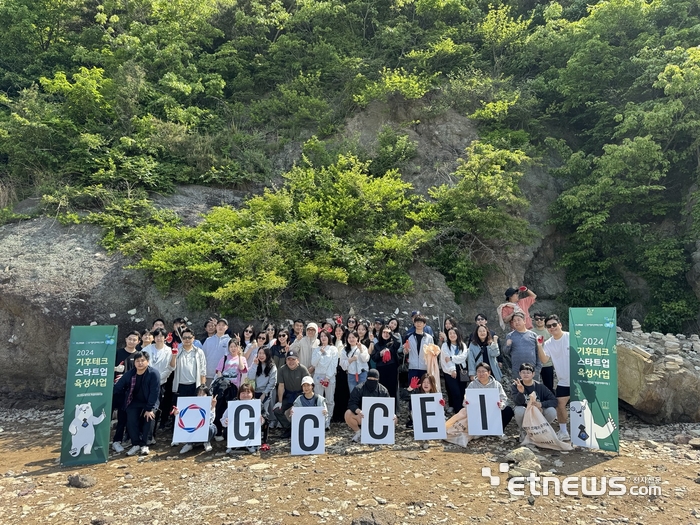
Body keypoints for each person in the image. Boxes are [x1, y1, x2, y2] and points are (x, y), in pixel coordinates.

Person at [113, 351, 160, 456]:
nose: (140, 363)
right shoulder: (130, 374)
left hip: (150, 401)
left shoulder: (153, 373)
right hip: (134, 401)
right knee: (131, 419)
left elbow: (154, 392)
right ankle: (135, 443)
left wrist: (149, 408)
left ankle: (145, 444)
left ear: (147, 362)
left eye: (142, 360)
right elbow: (118, 386)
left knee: (149, 417)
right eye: (137, 361)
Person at [538, 314, 571, 441]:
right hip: (563, 380)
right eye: (549, 326)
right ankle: (563, 432)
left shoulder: (571, 337)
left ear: (560, 325)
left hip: (580, 379)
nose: (552, 328)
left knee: (585, 405)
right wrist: (539, 346)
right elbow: (544, 359)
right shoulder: (548, 343)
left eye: (554, 325)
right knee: (560, 404)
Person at [344, 369, 396, 442]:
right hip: (363, 417)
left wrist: (392, 415)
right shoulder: (359, 388)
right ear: (366, 378)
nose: (372, 381)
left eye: (374, 379)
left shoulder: (383, 390)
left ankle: (385, 435)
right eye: (370, 379)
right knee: (348, 414)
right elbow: (352, 403)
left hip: (379, 419)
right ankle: (359, 433)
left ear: (378, 380)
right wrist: (358, 410)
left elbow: (389, 406)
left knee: (394, 418)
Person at [511, 362, 557, 440]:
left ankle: (541, 430)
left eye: (528, 372)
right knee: (519, 410)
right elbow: (517, 403)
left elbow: (554, 401)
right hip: (525, 412)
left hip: (538, 412)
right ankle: (524, 432)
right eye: (523, 372)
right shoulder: (516, 385)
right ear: (520, 374)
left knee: (552, 411)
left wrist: (541, 404)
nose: (526, 374)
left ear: (533, 374)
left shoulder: (540, 386)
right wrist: (521, 392)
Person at [212, 338, 248, 438]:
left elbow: (242, 369)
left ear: (238, 347)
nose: (233, 349)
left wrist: (240, 355)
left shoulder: (242, 358)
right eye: (231, 346)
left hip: (234, 387)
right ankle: (218, 431)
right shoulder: (224, 358)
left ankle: (231, 432)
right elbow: (219, 372)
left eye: (235, 346)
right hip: (223, 387)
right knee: (220, 408)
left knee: (232, 409)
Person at [111, 331, 141, 453]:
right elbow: (106, 367)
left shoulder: (139, 355)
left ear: (138, 342)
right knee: (107, 416)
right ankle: (99, 440)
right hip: (114, 389)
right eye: (130, 339)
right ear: (125, 339)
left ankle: (117, 441)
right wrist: (115, 370)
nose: (132, 341)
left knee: (123, 418)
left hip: (129, 392)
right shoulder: (117, 353)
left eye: (134, 340)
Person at [465, 363, 514, 432]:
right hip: (478, 411)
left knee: (508, 411)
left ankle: (498, 430)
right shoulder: (472, 384)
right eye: (479, 371)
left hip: (493, 410)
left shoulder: (496, 384)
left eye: (483, 371)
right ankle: (478, 431)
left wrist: (502, 404)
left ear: (489, 372)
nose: (481, 374)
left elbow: (504, 398)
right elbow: (466, 399)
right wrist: (467, 402)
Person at [222, 383, 270, 454]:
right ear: (239, 394)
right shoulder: (233, 404)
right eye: (243, 393)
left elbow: (265, 418)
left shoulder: (258, 404)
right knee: (226, 432)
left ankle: (251, 445)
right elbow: (223, 418)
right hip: (237, 431)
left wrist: (261, 420)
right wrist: (225, 421)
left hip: (251, 430)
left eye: (248, 393)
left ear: (252, 394)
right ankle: (234, 444)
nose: (245, 395)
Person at [273, 350, 310, 437]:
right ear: (286, 360)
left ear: (298, 360)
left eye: (293, 359)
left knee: (300, 411)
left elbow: (308, 385)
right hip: (289, 395)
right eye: (289, 359)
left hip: (301, 395)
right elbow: (281, 386)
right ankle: (289, 428)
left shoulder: (303, 369)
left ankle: (303, 429)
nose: (291, 362)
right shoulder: (282, 369)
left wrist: (306, 399)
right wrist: (280, 402)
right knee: (277, 411)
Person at [311, 330, 338, 429]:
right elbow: (313, 363)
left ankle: (328, 420)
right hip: (318, 375)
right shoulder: (316, 349)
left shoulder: (333, 349)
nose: (323, 338)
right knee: (319, 399)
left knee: (329, 400)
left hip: (329, 377)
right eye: (321, 336)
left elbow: (333, 363)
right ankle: (319, 420)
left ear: (328, 337)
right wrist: (319, 353)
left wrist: (327, 377)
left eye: (325, 336)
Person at [178, 385, 217, 454]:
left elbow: (211, 420)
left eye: (203, 394)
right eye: (199, 394)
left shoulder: (210, 405)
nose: (201, 396)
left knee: (212, 427)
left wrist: (213, 407)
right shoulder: (191, 404)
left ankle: (206, 442)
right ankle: (189, 444)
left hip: (204, 429)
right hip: (193, 430)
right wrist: (177, 412)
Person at [372, 324, 401, 413]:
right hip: (381, 369)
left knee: (392, 389)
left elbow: (398, 342)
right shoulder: (377, 345)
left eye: (387, 333)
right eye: (383, 332)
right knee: (381, 389)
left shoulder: (393, 344)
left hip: (392, 368)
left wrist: (391, 333)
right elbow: (374, 357)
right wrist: (380, 353)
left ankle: (393, 411)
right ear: (380, 333)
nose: (385, 334)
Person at [440, 327, 469, 414]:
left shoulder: (462, 345)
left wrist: (452, 358)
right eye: (450, 334)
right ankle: (458, 412)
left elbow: (463, 357)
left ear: (457, 334)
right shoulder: (445, 345)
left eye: (454, 333)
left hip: (462, 369)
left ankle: (463, 411)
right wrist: (452, 369)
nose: (452, 335)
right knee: (455, 392)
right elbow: (446, 359)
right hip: (450, 371)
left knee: (462, 391)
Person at [172, 328, 207, 399]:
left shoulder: (199, 352)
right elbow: (172, 367)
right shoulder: (177, 352)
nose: (187, 340)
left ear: (193, 338)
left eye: (189, 337)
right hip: (180, 385)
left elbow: (203, 370)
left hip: (195, 385)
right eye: (184, 338)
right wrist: (174, 356)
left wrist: (202, 386)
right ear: (181, 339)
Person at [505, 312, 541, 379]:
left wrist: (538, 368)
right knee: (518, 389)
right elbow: (506, 353)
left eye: (518, 320)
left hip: (532, 371)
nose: (516, 322)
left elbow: (538, 352)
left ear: (524, 321)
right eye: (514, 321)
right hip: (517, 371)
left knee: (533, 389)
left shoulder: (533, 335)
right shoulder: (510, 336)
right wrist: (508, 346)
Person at [249, 346, 277, 416]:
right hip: (254, 391)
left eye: (263, 353)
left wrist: (264, 393)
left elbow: (272, 382)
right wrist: (255, 365)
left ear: (267, 355)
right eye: (259, 353)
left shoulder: (272, 366)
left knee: (263, 413)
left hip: (265, 392)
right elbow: (250, 377)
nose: (261, 355)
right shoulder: (255, 363)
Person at [202, 319, 231, 385]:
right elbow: (202, 357)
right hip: (209, 375)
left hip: (224, 375)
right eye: (219, 325)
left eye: (223, 325)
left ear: (226, 327)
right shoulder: (208, 340)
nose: (221, 327)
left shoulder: (230, 341)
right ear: (216, 326)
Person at [531, 312, 554, 393]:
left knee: (549, 386)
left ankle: (550, 403)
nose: (539, 321)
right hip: (534, 364)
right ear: (534, 320)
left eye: (541, 319)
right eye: (537, 319)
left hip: (547, 364)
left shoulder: (550, 332)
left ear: (545, 320)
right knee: (534, 387)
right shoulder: (530, 333)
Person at [332, 324, 350, 423]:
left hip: (343, 369)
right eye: (336, 331)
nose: (338, 333)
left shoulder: (346, 343)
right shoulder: (332, 342)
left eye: (340, 331)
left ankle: (343, 414)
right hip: (333, 369)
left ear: (343, 332)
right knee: (335, 393)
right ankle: (335, 415)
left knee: (343, 392)